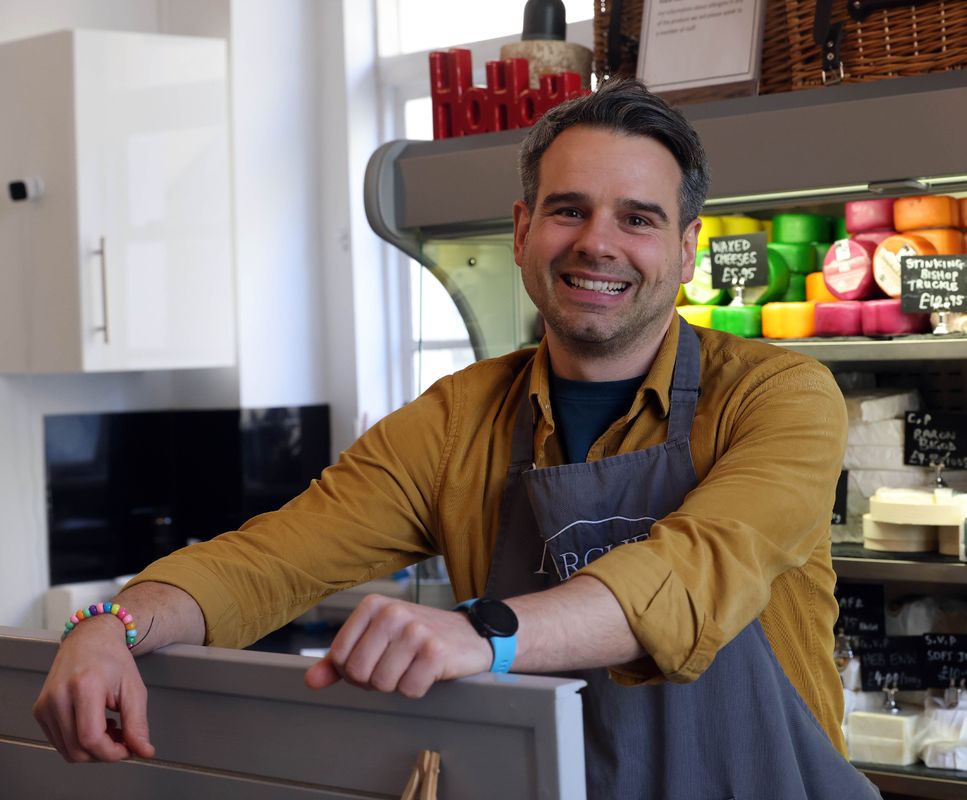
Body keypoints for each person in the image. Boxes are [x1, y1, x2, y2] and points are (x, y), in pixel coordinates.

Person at [34, 78, 878, 799]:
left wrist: (485, 630)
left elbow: (697, 569)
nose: (597, 243)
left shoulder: (779, 397)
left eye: (638, 219)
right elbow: (266, 563)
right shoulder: (456, 420)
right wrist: (110, 625)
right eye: (568, 211)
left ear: (687, 250)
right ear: (521, 230)